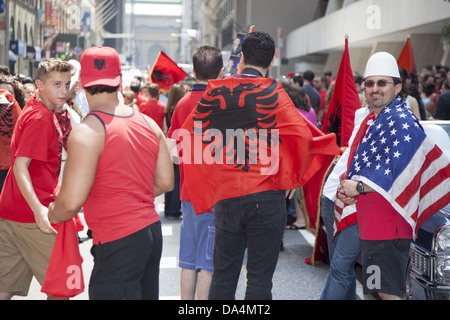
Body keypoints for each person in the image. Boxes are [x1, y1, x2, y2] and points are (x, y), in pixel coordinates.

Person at [181, 31, 340, 300]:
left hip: (227, 196)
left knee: (224, 275)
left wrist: (213, 174)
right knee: (259, 279)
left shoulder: (216, 91)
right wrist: (292, 178)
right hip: (267, 198)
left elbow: (190, 137)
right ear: (272, 59)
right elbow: (302, 137)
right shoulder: (275, 93)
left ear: (241, 58)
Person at [48, 46, 174, 300]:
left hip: (118, 239)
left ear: (82, 83)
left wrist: (51, 212)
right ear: (119, 82)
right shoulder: (148, 123)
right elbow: (166, 181)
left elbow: (71, 203)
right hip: (150, 232)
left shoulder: (87, 131)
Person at [338, 52, 450, 300]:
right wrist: (353, 189)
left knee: (388, 294)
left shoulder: (401, 121)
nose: (374, 89)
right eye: (369, 83)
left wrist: (359, 187)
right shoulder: (376, 120)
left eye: (382, 83)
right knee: (377, 290)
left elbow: (402, 169)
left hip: (388, 227)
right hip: (373, 226)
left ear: (397, 87)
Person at [0, 58, 72, 300]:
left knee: (5, 286)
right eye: (57, 85)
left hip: (11, 209)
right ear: (40, 85)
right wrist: (39, 210)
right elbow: (20, 165)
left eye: (67, 84)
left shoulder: (34, 106)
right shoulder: (40, 117)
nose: (64, 91)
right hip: (33, 214)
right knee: (61, 287)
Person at [168, 45, 223, 300]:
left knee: (188, 260)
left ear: (193, 71)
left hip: (188, 192)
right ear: (221, 71)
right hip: (215, 194)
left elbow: (173, 152)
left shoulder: (181, 103)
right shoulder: (223, 104)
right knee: (208, 263)